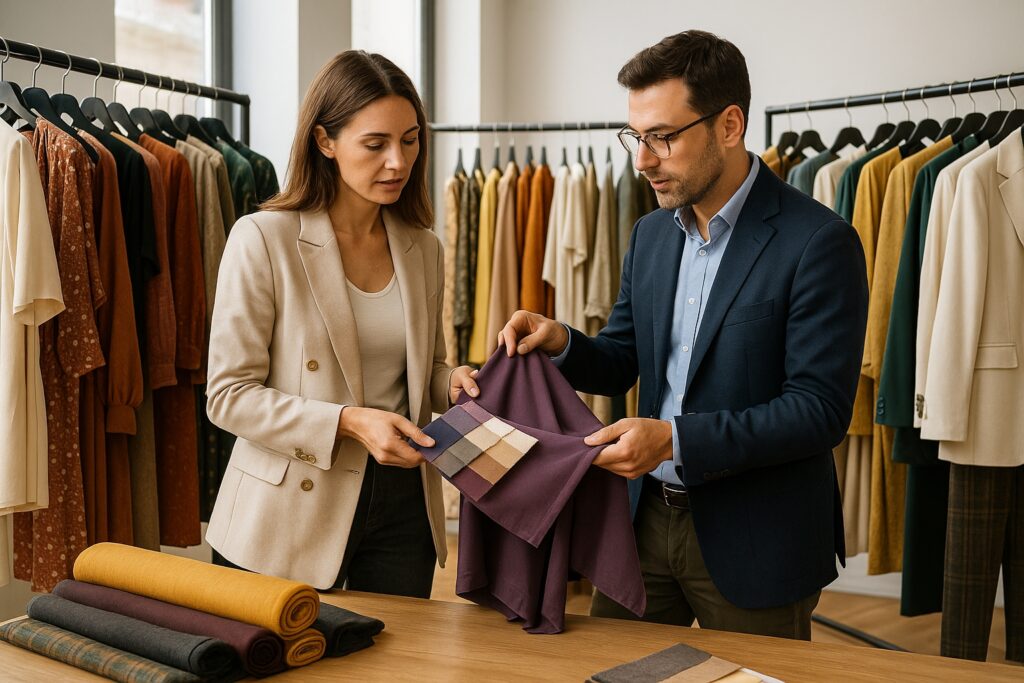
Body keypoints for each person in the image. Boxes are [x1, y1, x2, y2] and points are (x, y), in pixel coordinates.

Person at [498, 30, 868, 639]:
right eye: (635, 137)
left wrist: (674, 440)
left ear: (729, 125)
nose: (642, 160)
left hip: (757, 538)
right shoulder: (650, 235)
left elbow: (818, 412)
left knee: (748, 679)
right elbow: (622, 358)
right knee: (616, 674)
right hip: (642, 523)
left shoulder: (819, 242)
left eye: (663, 137)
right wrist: (560, 339)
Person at [204, 51, 478, 597]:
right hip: (287, 509)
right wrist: (349, 422)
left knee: (395, 650)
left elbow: (425, 369)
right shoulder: (264, 239)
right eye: (375, 144)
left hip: (403, 501)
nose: (398, 162)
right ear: (325, 141)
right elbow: (228, 396)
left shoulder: (422, 247)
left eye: (410, 140)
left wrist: (453, 382)